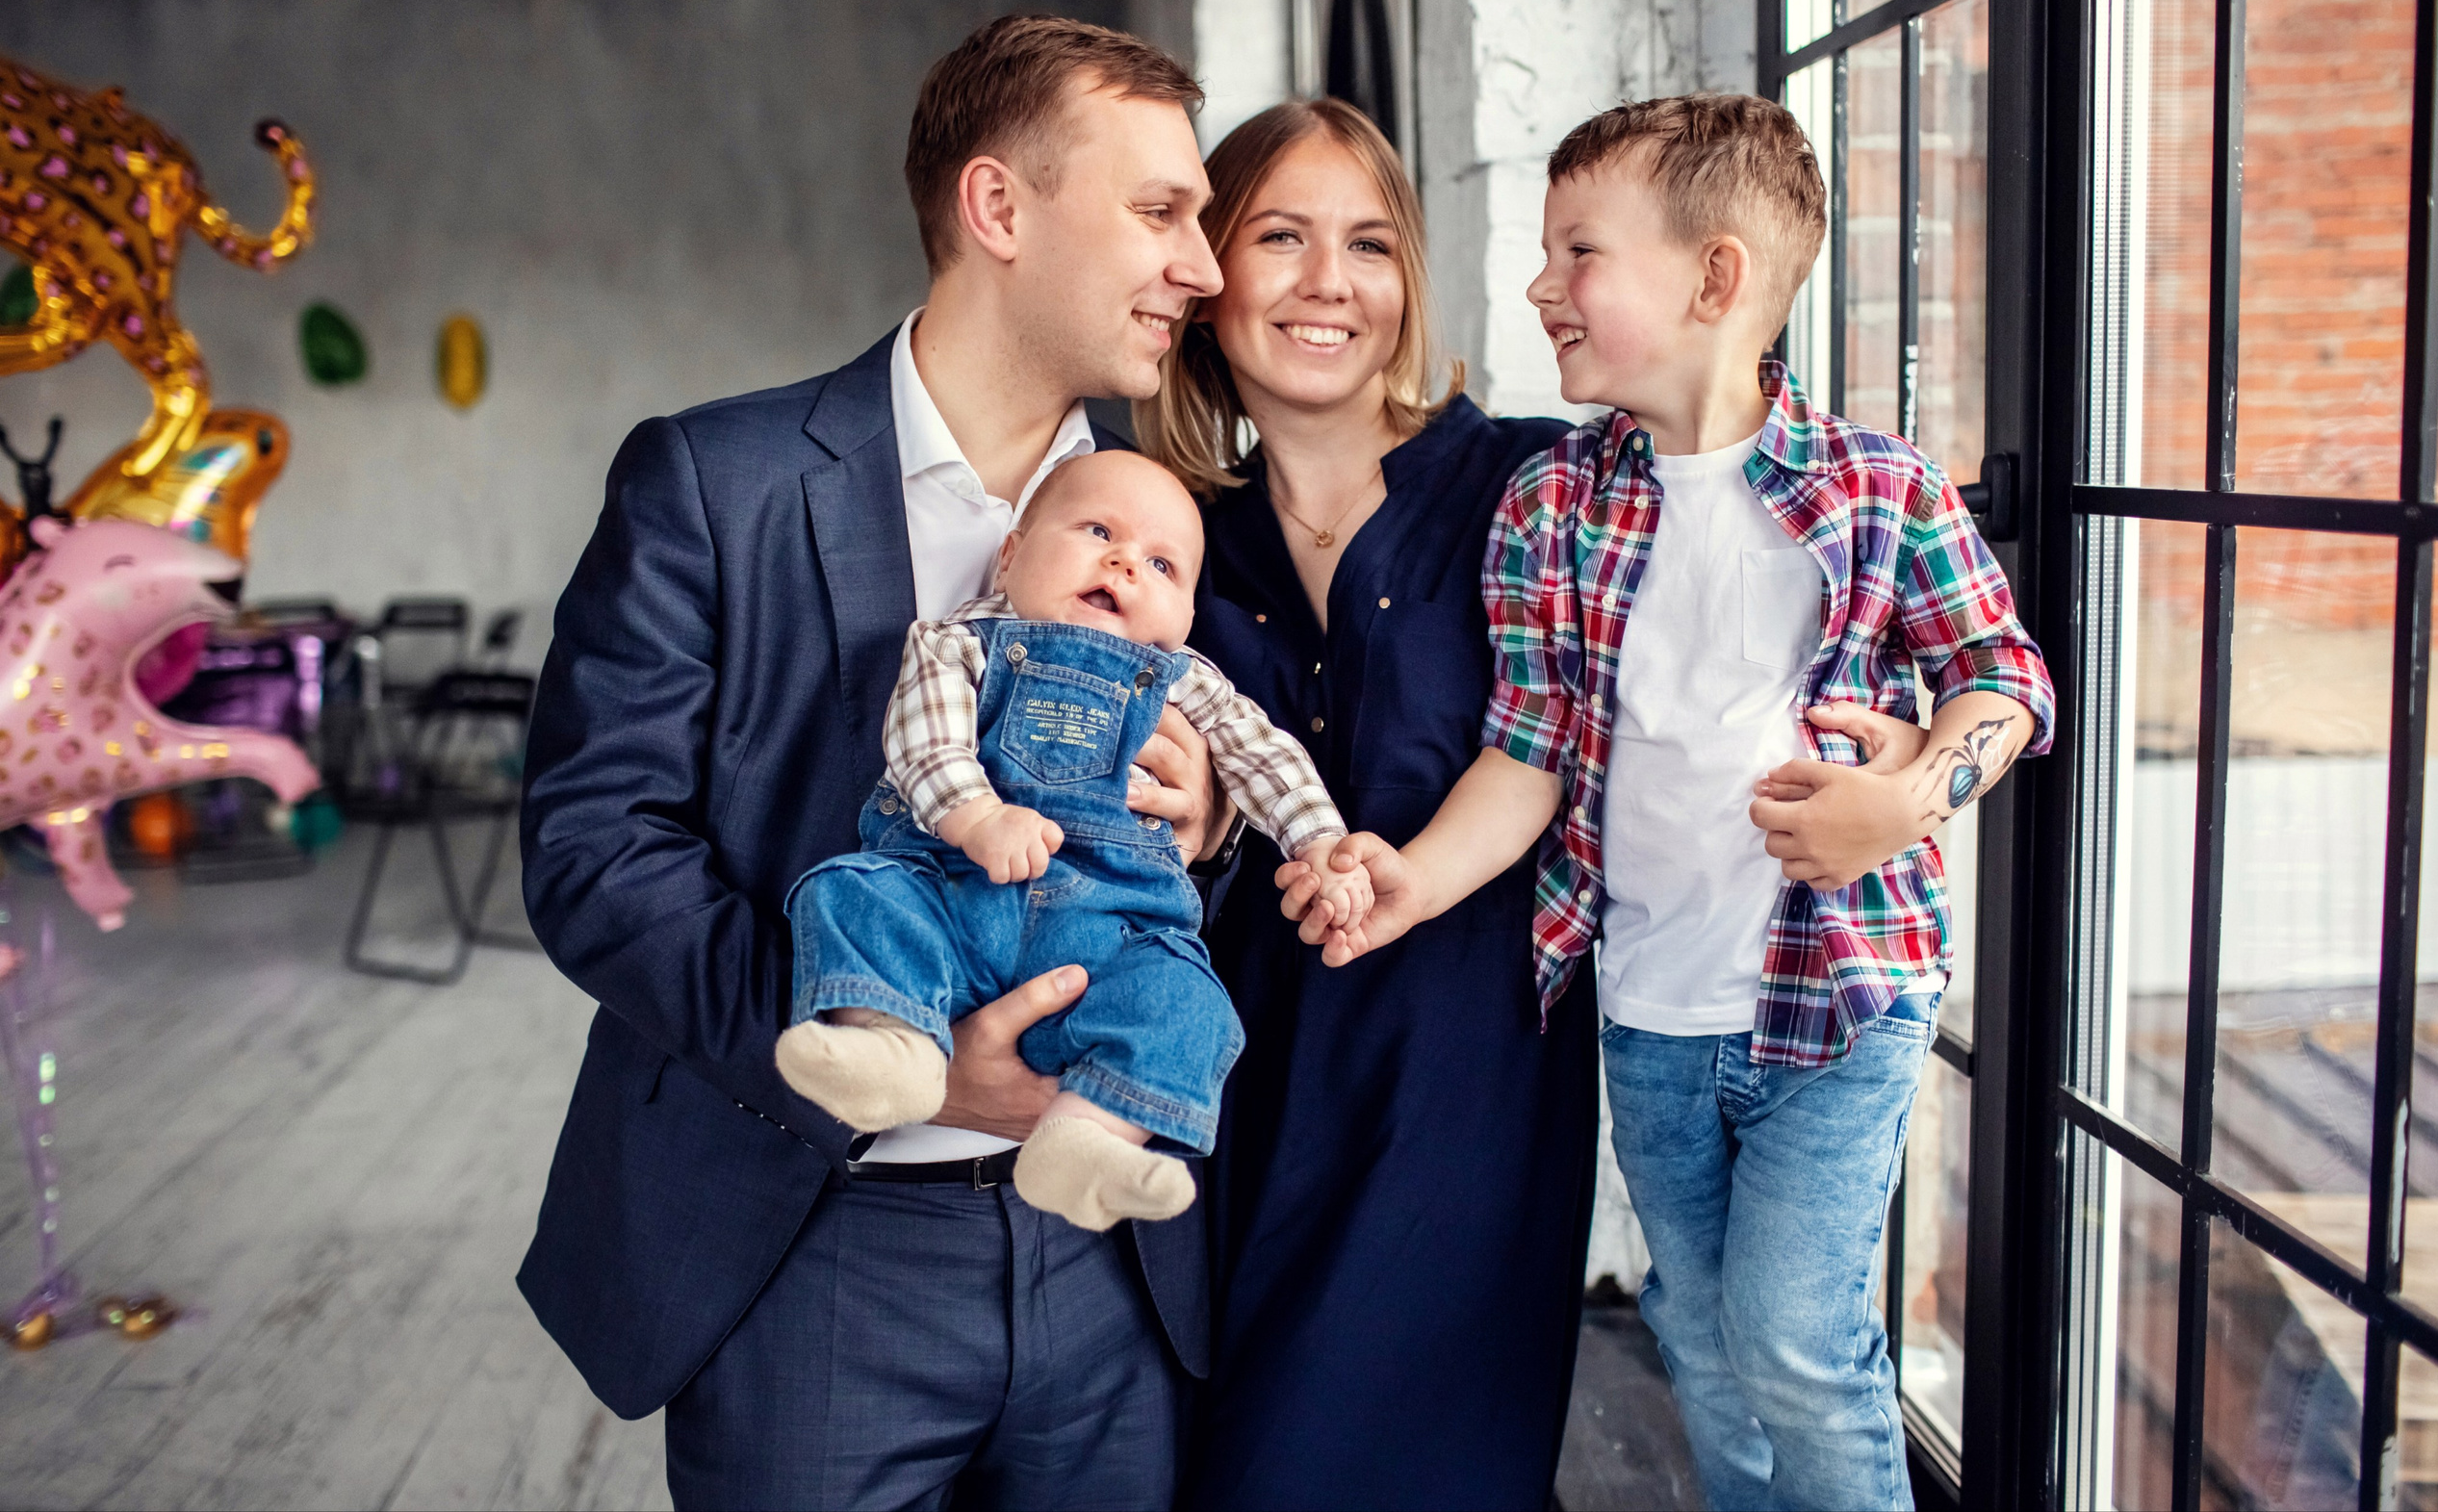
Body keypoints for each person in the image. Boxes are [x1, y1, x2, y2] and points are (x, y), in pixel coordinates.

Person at [1281, 94, 2057, 1512]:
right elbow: (1527, 757)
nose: (1538, 286)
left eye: (1579, 253)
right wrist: (1412, 874)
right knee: (1703, 1342)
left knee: (1795, 1340)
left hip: (1837, 1005)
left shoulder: (1878, 491)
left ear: (1714, 277)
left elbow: (2003, 678)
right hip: (1647, 1014)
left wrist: (1916, 795)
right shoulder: (1552, 507)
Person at [518, 15, 1235, 1510]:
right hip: (808, 1247)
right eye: (1163, 212)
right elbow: (595, 848)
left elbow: (1185, 825)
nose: (1207, 267)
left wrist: (1208, 820)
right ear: (998, 210)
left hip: (1113, 1263)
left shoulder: (1156, 518)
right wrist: (888, 1051)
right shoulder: (716, 482)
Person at [1138, 98, 1598, 1511]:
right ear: (1213, 280)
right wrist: (1188, 801)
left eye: (1370, 245)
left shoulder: (1536, 481)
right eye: (1281, 237)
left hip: (1469, 1083)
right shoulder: (1165, 525)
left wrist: (1922, 735)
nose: (1330, 282)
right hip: (1240, 1075)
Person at [775, 449, 1373, 1231]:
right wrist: (978, 818)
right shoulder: (961, 643)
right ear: (1012, 556)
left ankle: (1092, 1136)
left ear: (1186, 617)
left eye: (1162, 564)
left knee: (1189, 1004)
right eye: (1098, 531)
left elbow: (1267, 758)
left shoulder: (1184, 679)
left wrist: (1319, 840)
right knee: (849, 892)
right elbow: (925, 743)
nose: (1124, 562)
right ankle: (893, 1046)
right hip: (948, 896)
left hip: (1110, 932)